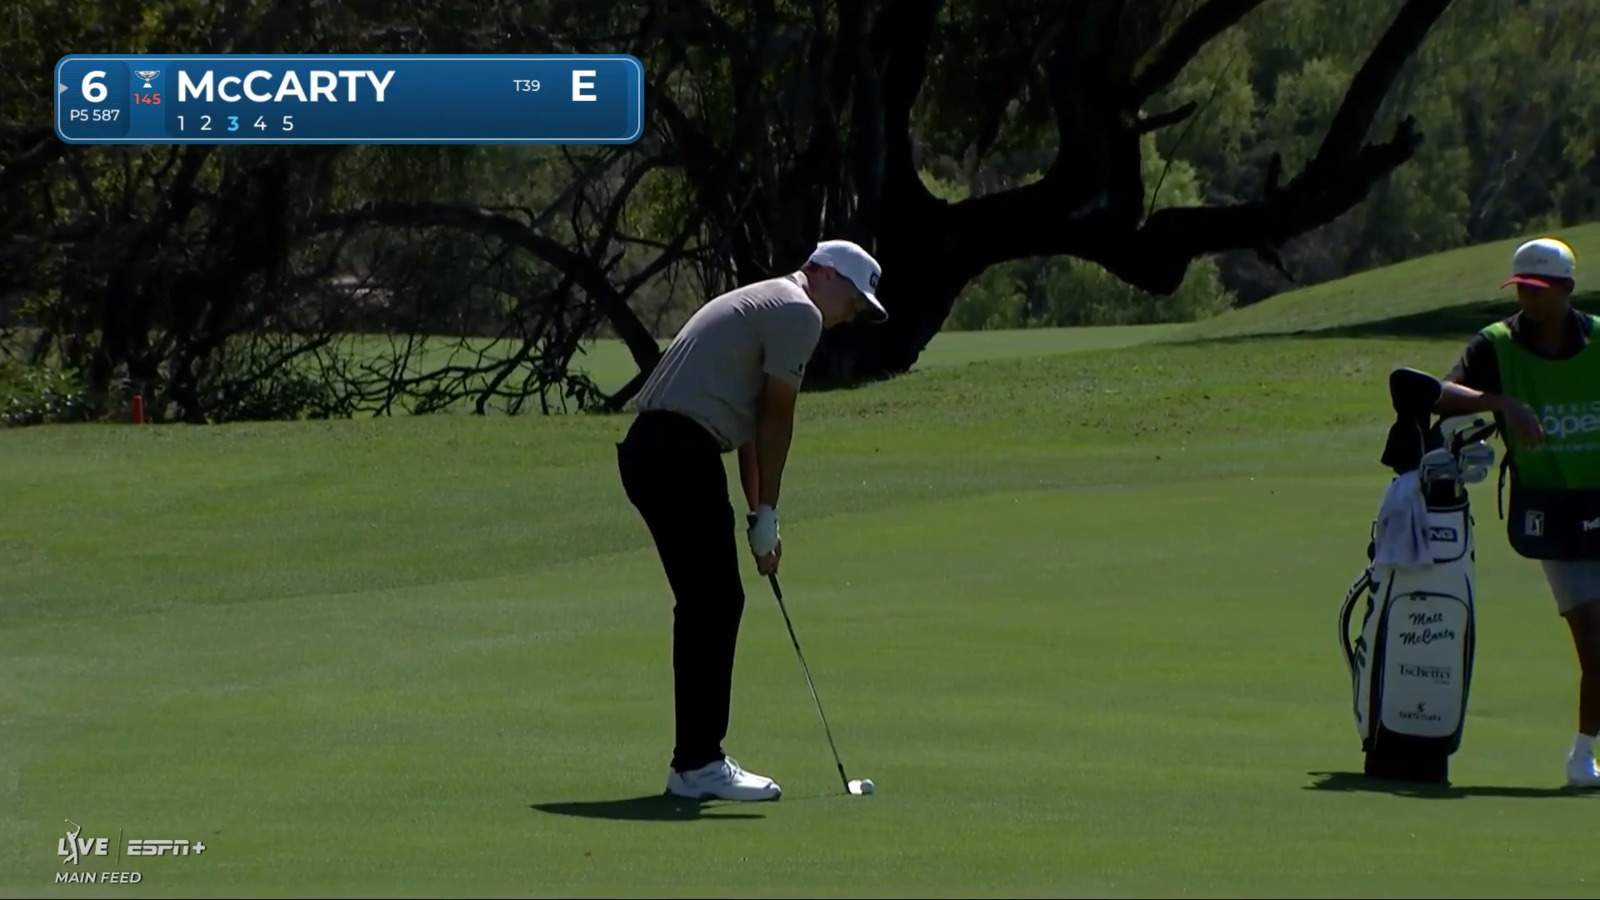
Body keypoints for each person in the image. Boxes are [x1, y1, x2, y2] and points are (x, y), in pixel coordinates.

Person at [616, 239, 887, 801]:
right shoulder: (799, 311)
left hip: (660, 450)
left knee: (710, 600)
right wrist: (771, 513)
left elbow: (747, 431)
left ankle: (695, 762)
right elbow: (776, 420)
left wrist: (758, 514)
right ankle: (697, 764)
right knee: (713, 601)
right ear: (823, 273)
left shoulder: (770, 300)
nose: (850, 315)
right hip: (676, 451)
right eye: (853, 301)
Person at [1434, 236, 1600, 787]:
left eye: (1538, 289)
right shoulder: (1496, 346)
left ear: (1566, 290)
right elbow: (1439, 393)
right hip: (1556, 515)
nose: (1527, 298)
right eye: (1521, 288)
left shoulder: (1598, 340)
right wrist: (1500, 402)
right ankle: (1582, 758)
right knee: (1595, 643)